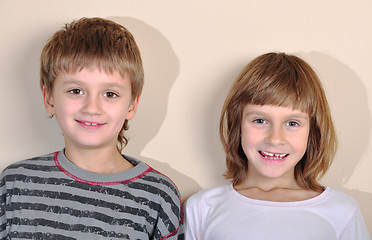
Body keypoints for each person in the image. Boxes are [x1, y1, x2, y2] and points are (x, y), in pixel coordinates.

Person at [0, 17, 184, 240]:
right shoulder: (15, 183)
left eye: (110, 94)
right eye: (76, 91)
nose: (92, 108)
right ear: (49, 98)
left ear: (131, 106)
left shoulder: (158, 196)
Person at [184, 52, 370, 239]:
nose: (275, 139)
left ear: (312, 132)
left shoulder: (342, 212)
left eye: (292, 123)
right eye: (259, 120)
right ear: (237, 125)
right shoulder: (201, 208)